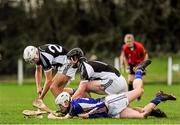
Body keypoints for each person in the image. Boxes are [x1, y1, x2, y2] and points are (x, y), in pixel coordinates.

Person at [50, 67, 176, 119]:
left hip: (110, 102)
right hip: (111, 111)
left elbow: (101, 106)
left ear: (66, 102)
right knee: (142, 115)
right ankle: (158, 98)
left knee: (139, 90)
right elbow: (66, 116)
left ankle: (138, 71)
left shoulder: (75, 106)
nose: (60, 108)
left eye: (61, 105)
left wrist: (89, 115)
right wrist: (56, 115)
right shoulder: (72, 107)